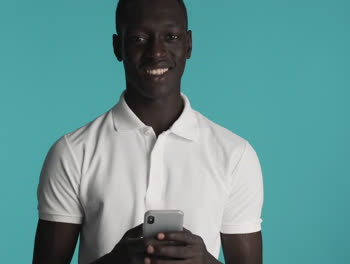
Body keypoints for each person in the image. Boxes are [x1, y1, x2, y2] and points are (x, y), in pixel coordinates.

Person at [32, 0, 264, 263]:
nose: (156, 52)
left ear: (189, 44)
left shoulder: (235, 155)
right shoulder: (72, 153)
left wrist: (205, 262)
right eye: (139, 39)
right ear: (117, 47)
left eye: (171, 36)